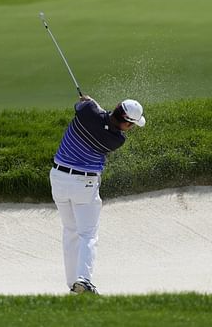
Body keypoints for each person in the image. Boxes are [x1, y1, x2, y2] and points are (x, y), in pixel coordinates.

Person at [50, 95, 145, 294]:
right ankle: (83, 280)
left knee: (70, 231)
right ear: (127, 124)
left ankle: (72, 284)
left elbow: (90, 111)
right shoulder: (117, 140)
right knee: (87, 234)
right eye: (132, 125)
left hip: (58, 177)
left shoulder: (87, 110)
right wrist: (95, 106)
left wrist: (91, 102)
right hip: (84, 185)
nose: (131, 129)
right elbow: (105, 124)